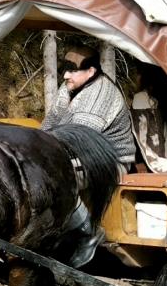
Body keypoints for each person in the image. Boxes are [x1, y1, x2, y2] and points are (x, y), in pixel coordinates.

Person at [41, 44, 135, 266]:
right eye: (65, 70)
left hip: (111, 161)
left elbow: (78, 138)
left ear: (91, 71)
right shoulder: (69, 88)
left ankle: (88, 232)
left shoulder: (101, 93)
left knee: (59, 177)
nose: (66, 75)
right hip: (79, 155)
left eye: (72, 70)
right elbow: (48, 125)